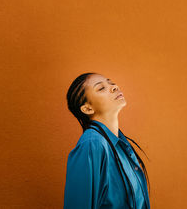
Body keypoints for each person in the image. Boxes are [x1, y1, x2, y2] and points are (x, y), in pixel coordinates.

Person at [63, 72, 151, 209]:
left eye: (111, 82)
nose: (114, 86)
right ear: (87, 108)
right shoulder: (92, 144)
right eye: (101, 88)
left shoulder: (121, 145)